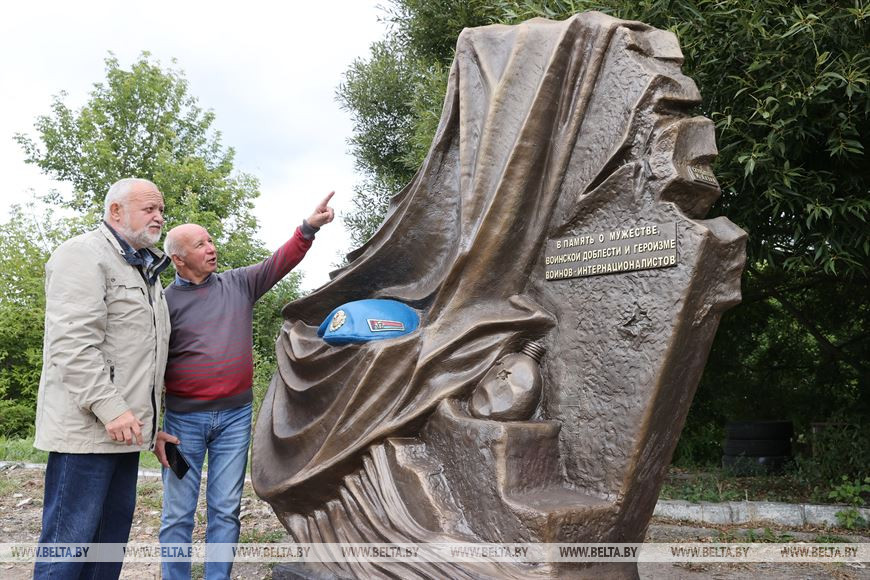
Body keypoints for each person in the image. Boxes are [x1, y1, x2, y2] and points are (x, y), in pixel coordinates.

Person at [156, 192, 335, 579]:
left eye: (210, 240)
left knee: (225, 508)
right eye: (200, 244)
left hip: (234, 421)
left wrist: (307, 229)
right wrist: (154, 423)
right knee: (177, 514)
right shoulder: (162, 303)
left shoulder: (238, 284)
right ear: (178, 258)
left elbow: (279, 263)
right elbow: (148, 367)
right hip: (182, 426)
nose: (211, 247)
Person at [33, 178, 171, 579]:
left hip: (125, 434)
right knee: (68, 547)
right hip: (87, 435)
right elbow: (72, 345)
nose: (159, 216)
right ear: (115, 212)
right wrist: (112, 410)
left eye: (161, 209)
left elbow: (145, 357)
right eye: (149, 209)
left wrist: (153, 425)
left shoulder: (147, 268)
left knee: (107, 550)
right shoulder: (83, 255)